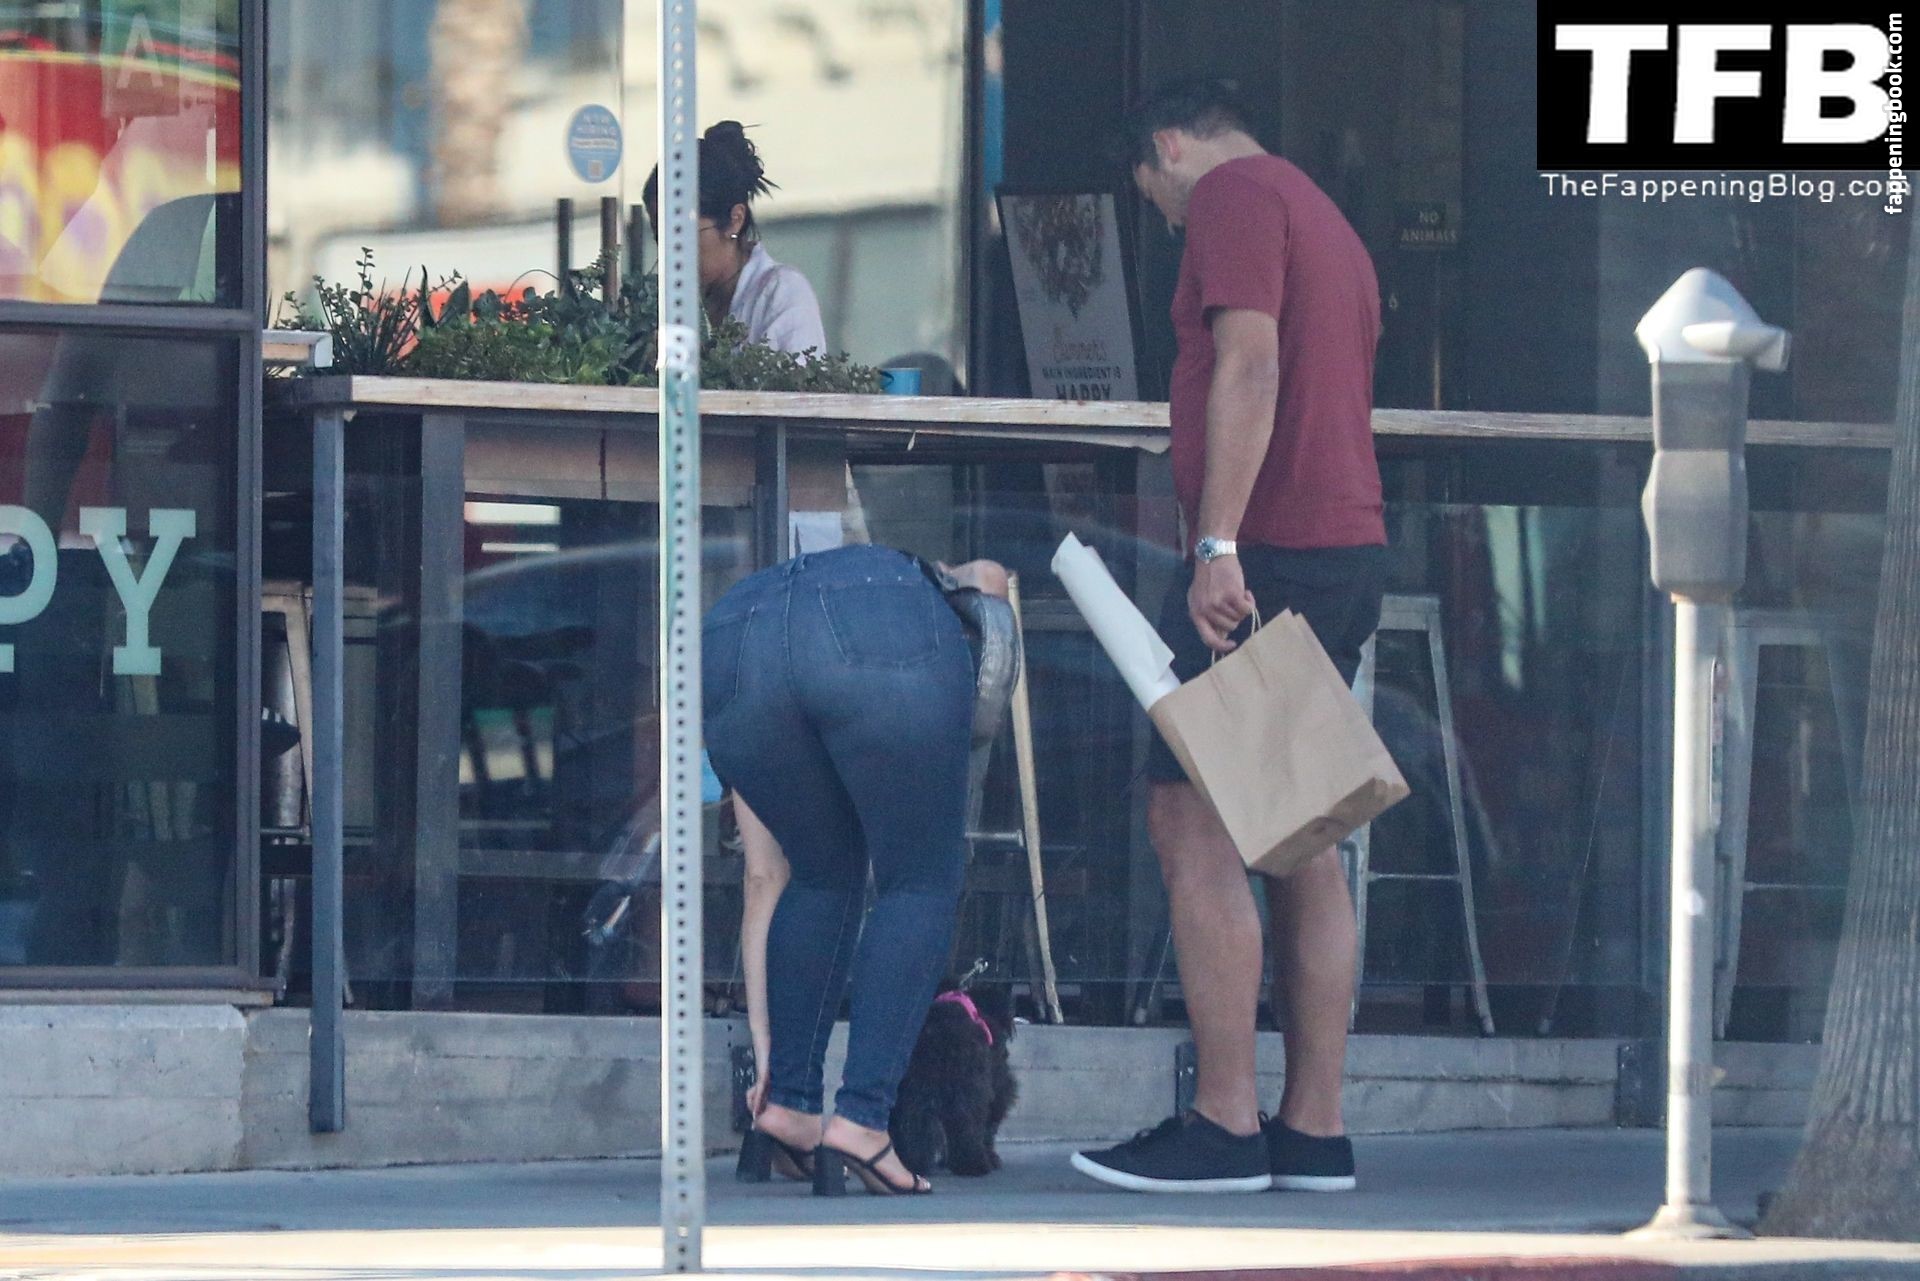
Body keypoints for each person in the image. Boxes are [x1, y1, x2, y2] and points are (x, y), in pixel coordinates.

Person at [1071, 80, 1387, 1194]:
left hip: (1267, 550)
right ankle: (1313, 1131)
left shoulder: (1233, 196)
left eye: (1151, 195)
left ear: (1167, 146)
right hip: (1339, 543)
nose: (1166, 220)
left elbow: (1250, 362)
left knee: (1192, 819)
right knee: (1300, 832)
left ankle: (1222, 1122)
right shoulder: (1322, 211)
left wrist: (1216, 544)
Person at [707, 545, 1010, 1197]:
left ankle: (788, 1107)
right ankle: (863, 1120)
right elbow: (989, 583)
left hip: (731, 635)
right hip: (872, 640)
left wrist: (762, 1040)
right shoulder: (913, 585)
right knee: (920, 881)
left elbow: (763, 875)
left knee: (819, 873)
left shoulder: (786, 591)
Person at [642, 120, 826, 352]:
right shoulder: (672, 304)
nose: (670, 253)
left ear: (735, 220)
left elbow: (798, 375)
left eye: (682, 236)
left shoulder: (781, 294)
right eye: (660, 237)